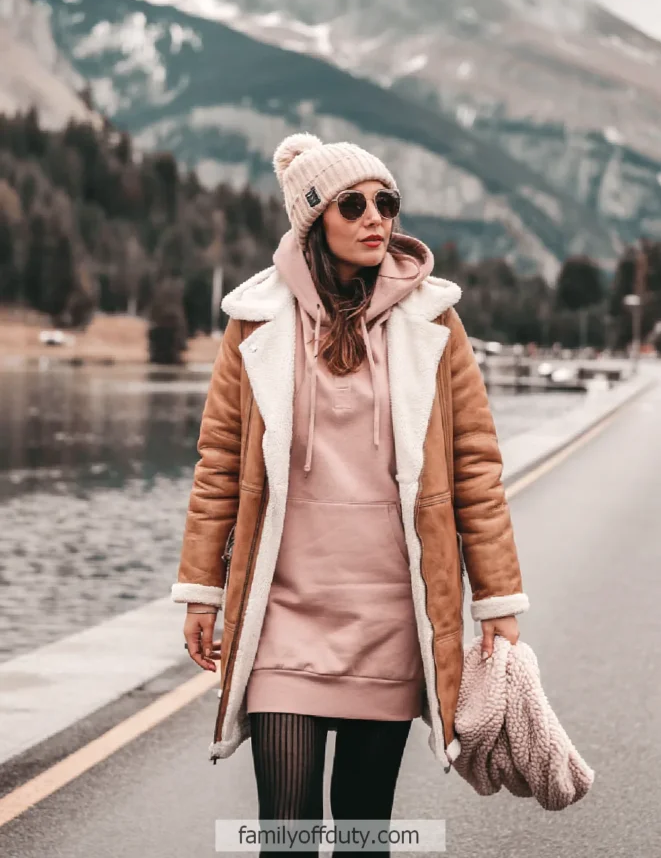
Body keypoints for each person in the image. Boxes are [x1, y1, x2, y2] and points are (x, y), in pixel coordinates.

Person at [172, 134, 529, 850]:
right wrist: (202, 591)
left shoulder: (434, 322)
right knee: (287, 835)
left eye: (386, 203)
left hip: (388, 617)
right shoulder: (255, 321)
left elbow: (475, 468)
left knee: (364, 833)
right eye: (354, 205)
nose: (376, 219)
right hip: (283, 614)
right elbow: (218, 465)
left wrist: (497, 603)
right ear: (313, 220)